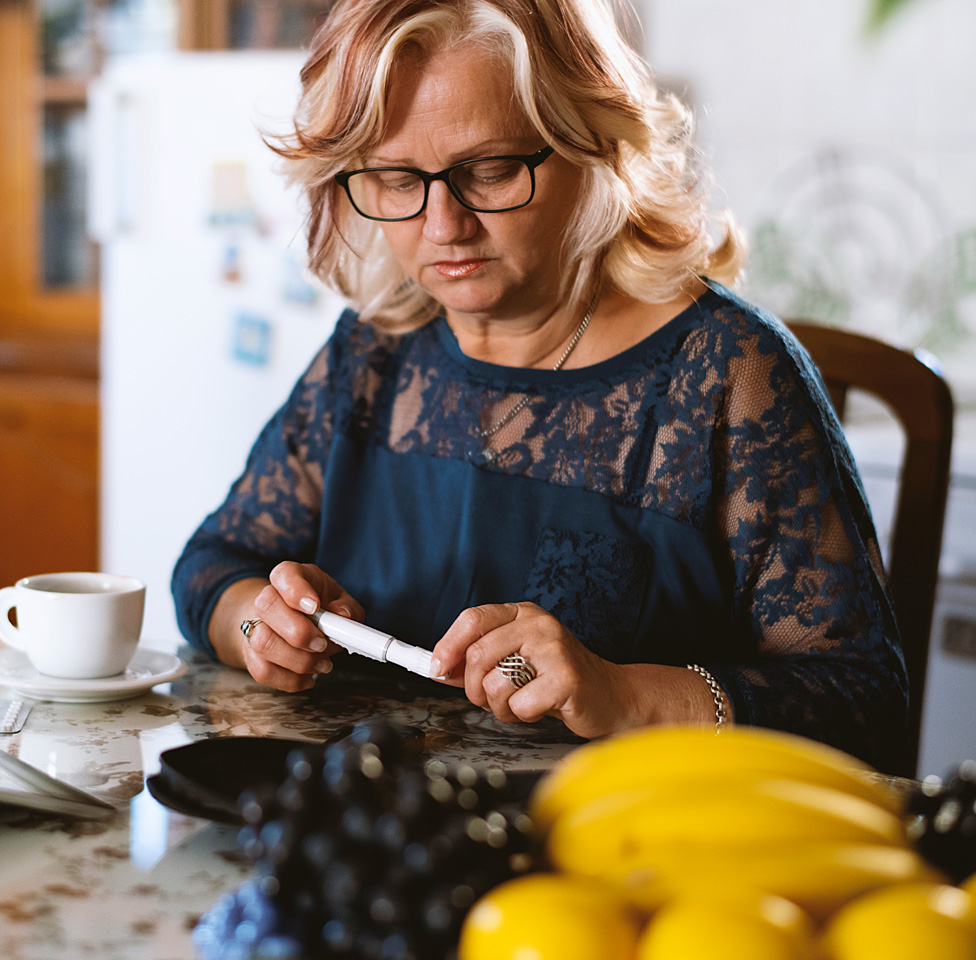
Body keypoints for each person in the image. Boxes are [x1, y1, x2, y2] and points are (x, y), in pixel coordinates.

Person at [171, 0, 908, 770]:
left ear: (590, 146)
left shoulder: (725, 373)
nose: (443, 225)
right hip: (371, 843)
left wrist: (624, 695)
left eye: (488, 171)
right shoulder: (374, 353)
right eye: (395, 179)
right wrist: (259, 626)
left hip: (614, 855)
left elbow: (864, 703)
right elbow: (212, 564)